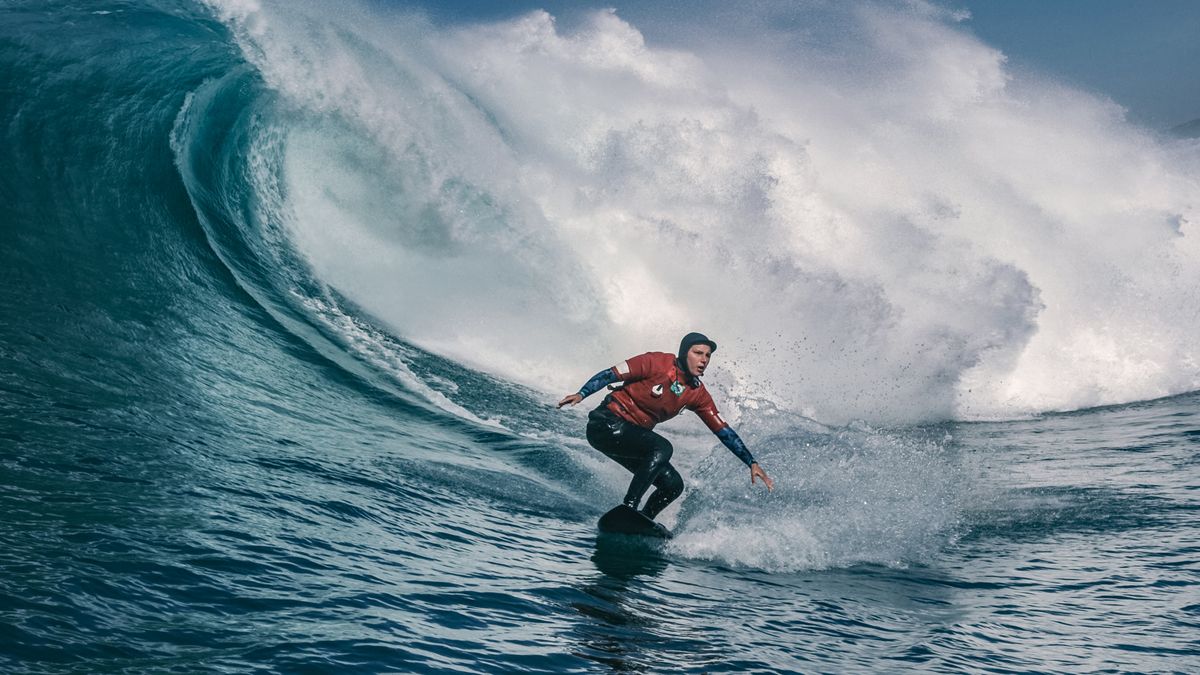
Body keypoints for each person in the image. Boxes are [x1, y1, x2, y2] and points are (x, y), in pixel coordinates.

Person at [557, 332, 773, 520]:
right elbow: (610, 374)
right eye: (698, 353)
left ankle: (642, 521)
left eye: (708, 355)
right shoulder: (655, 362)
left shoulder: (697, 393)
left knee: (673, 485)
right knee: (663, 448)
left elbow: (722, 430)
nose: (704, 359)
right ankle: (629, 507)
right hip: (604, 425)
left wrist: (750, 461)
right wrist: (582, 393)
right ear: (684, 352)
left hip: (628, 438)